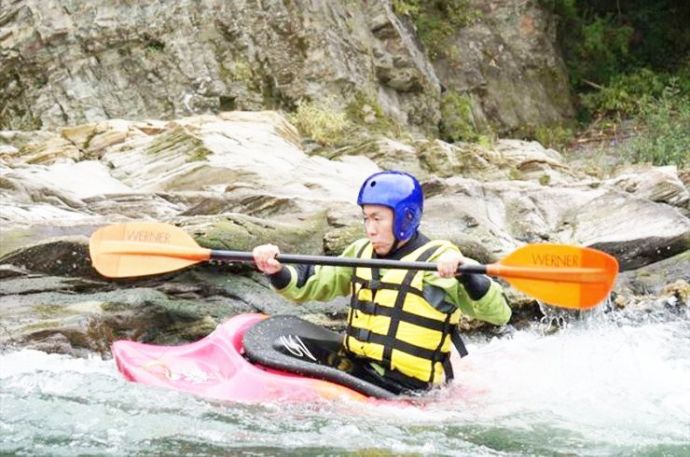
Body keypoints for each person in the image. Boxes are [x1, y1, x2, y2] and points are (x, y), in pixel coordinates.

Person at [253, 170, 511, 394]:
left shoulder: (439, 262)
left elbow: (499, 314)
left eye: (378, 218)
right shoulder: (360, 252)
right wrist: (276, 270)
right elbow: (313, 283)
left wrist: (468, 275)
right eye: (366, 218)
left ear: (405, 218)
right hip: (357, 366)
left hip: (408, 386)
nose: (370, 228)